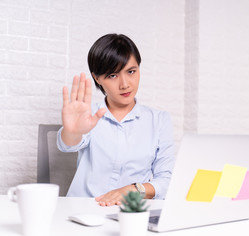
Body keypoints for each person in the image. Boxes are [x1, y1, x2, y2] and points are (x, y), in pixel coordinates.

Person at [57, 33, 175, 207]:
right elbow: (68, 144)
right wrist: (72, 132)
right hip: (82, 208)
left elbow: (166, 180)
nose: (125, 84)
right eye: (113, 75)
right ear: (97, 78)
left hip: (130, 211)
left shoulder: (159, 120)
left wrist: (135, 189)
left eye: (131, 71)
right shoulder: (88, 115)